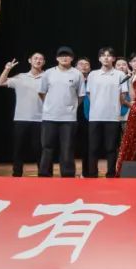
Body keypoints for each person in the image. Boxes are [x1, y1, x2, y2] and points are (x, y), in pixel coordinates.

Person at [38, 46, 85, 178]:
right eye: (61, 55)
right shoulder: (48, 73)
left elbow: (81, 95)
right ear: (56, 58)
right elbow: (42, 92)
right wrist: (50, 105)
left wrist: (71, 107)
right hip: (49, 116)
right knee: (47, 147)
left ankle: (68, 175)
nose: (64, 58)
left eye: (67, 55)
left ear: (72, 58)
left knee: (67, 148)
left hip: (69, 118)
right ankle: (44, 174)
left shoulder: (77, 74)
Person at [0, 52, 46, 177]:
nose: (38, 61)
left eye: (41, 59)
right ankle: (17, 173)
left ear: (44, 62)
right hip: (21, 118)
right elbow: (1, 82)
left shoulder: (47, 77)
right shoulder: (21, 77)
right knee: (19, 148)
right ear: (30, 60)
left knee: (39, 149)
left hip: (41, 119)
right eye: (35, 58)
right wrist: (7, 69)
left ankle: (43, 173)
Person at [85, 47, 124, 178]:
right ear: (99, 58)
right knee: (93, 147)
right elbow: (89, 94)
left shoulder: (120, 74)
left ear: (114, 59)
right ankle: (92, 174)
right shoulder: (93, 74)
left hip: (113, 117)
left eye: (109, 55)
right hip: (95, 116)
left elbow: (123, 95)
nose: (106, 58)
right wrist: (98, 105)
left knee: (111, 148)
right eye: (103, 55)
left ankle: (111, 174)